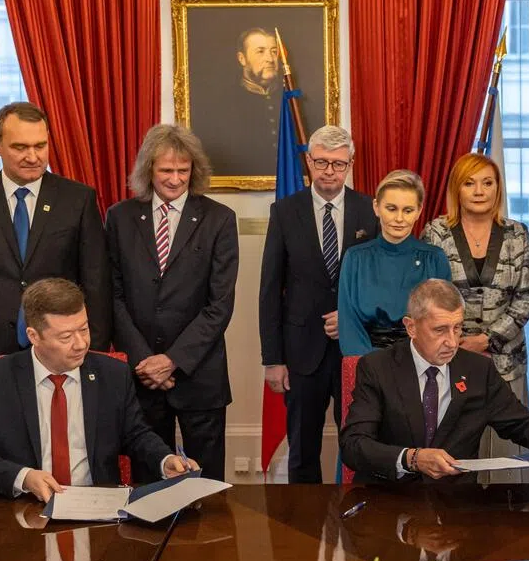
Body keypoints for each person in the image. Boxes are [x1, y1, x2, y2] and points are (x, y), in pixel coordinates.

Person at [0, 278, 196, 501]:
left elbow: (136, 435)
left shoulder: (113, 374)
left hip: (98, 505)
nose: (81, 344)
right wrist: (24, 477)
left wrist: (165, 460)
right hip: (26, 506)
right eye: (66, 336)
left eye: (84, 329)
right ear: (34, 336)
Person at [340, 279, 529, 482]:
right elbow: (354, 445)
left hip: (456, 505)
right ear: (411, 327)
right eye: (440, 330)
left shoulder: (477, 369)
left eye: (458, 328)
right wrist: (412, 459)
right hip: (390, 503)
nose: (452, 342)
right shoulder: (378, 367)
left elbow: (522, 424)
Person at [0, 102, 111, 406]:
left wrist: (93, 359)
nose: (33, 156)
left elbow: (96, 286)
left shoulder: (78, 199)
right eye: (20, 147)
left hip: (62, 354)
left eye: (40, 145)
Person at [105, 123, 238, 482]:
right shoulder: (120, 217)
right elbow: (112, 296)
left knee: (206, 486)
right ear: (149, 169)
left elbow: (219, 304)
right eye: (166, 170)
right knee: (150, 482)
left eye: (183, 170)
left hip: (200, 375)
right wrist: (146, 362)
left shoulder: (219, 218)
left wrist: (172, 361)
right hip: (141, 376)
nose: (175, 179)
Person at [259, 125, 378, 482]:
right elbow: (269, 290)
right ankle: (303, 535)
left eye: (338, 164)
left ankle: (357, 529)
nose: (329, 171)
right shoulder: (284, 211)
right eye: (322, 162)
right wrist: (273, 359)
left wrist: (353, 316)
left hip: (355, 351)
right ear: (309, 161)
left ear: (350, 165)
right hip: (300, 355)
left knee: (359, 445)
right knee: (302, 452)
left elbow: (378, 282)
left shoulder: (369, 210)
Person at [422, 152, 529, 481]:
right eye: (470, 183)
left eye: (487, 183)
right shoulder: (437, 233)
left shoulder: (517, 234)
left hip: (505, 360)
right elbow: (429, 295)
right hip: (449, 358)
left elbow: (526, 296)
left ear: (498, 189)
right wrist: (456, 341)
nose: (479, 190)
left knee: (506, 459)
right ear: (456, 189)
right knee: (455, 459)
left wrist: (486, 339)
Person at [338, 170, 450, 355]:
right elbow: (349, 325)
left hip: (423, 361)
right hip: (366, 363)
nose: (399, 219)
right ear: (376, 207)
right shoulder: (355, 258)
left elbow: (442, 322)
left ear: (419, 211)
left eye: (408, 210)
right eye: (391, 208)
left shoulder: (435, 259)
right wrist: (375, 369)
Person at [193, 26, 282, 177]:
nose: (270, 59)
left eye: (274, 51)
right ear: (242, 59)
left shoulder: (290, 99)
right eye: (260, 51)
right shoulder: (221, 104)